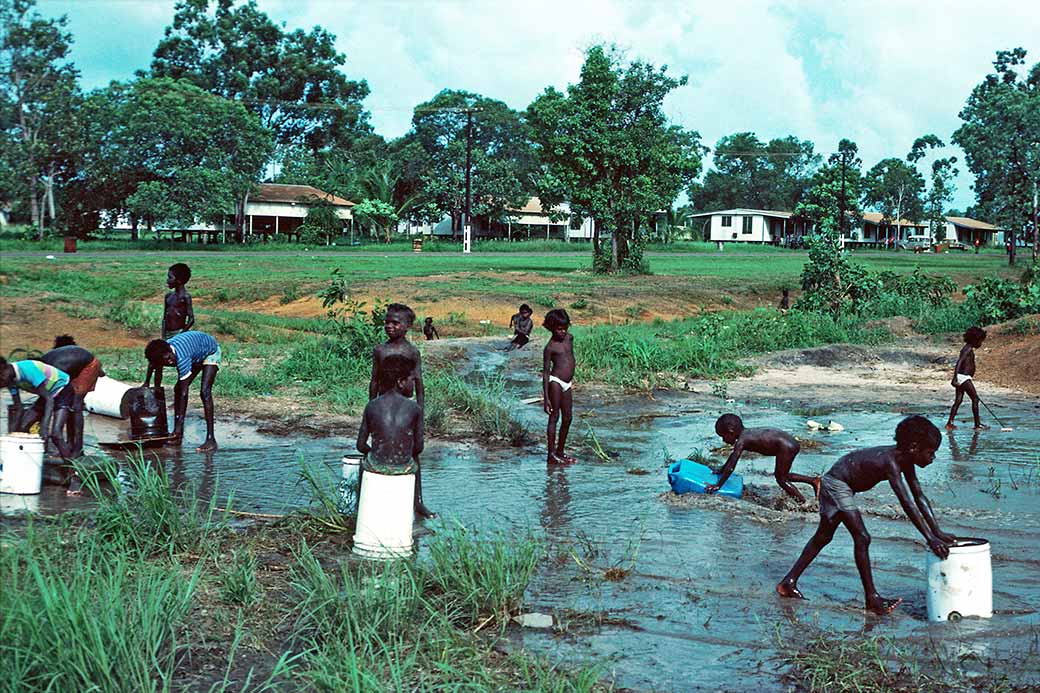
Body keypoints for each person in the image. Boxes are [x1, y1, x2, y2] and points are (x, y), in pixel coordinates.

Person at [776, 415, 953, 615]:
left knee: (823, 537)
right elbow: (907, 503)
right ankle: (872, 599)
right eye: (931, 453)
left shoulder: (905, 461)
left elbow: (919, 497)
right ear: (913, 448)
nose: (933, 458)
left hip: (842, 485)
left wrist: (937, 532)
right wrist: (930, 539)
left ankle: (788, 582)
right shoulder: (890, 463)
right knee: (862, 537)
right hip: (836, 484)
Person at [368, 304, 431, 517]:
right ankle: (372, 499)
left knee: (414, 453)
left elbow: (419, 384)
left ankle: (418, 501)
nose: (389, 326)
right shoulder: (380, 350)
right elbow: (374, 381)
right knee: (378, 447)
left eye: (395, 323)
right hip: (382, 408)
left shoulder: (412, 352)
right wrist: (370, 409)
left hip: (406, 409)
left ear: (407, 326)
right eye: (387, 322)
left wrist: (419, 415)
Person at [357, 353, 434, 519]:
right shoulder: (414, 408)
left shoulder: (372, 405)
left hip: (376, 466)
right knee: (413, 461)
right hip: (403, 467)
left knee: (363, 463)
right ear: (400, 382)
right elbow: (419, 448)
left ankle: (358, 508)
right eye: (411, 380)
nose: (413, 385)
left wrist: (375, 453)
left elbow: (360, 445)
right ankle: (415, 504)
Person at [707, 414, 820, 503]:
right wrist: (721, 469)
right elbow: (732, 458)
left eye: (723, 436)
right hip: (788, 443)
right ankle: (813, 481)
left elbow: (732, 467)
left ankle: (803, 504)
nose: (723, 440)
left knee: (781, 479)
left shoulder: (742, 441)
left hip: (785, 447)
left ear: (731, 433)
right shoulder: (746, 434)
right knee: (783, 475)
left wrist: (718, 485)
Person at [144, 331, 220, 451]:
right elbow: (153, 366)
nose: (170, 362)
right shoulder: (160, 351)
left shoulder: (181, 357)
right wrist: (147, 383)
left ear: (170, 351)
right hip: (194, 353)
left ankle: (211, 440)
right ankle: (177, 437)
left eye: (169, 358)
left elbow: (185, 393)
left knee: (204, 392)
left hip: (209, 351)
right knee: (177, 389)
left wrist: (178, 428)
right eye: (166, 361)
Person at [37, 336, 103, 458]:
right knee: (67, 405)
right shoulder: (45, 366)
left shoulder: (51, 369)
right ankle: (70, 443)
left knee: (76, 405)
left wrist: (46, 425)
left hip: (88, 367)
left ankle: (78, 448)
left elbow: (54, 395)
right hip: (76, 368)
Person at [0, 357, 74, 459]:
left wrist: (44, 426)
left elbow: (49, 400)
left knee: (56, 434)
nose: (2, 383)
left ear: (4, 369)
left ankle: (74, 471)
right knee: (23, 427)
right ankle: (27, 461)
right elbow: (18, 407)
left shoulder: (29, 369)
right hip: (47, 394)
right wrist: (11, 435)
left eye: (1, 379)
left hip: (63, 390)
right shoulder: (10, 380)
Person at [542, 308, 576, 466]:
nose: (562, 332)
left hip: (567, 384)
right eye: (558, 329)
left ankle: (560, 452)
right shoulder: (550, 348)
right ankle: (551, 455)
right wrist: (546, 398)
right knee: (554, 417)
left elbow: (569, 358)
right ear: (551, 328)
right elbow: (546, 372)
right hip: (555, 382)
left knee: (568, 418)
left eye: (565, 328)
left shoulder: (569, 338)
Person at [945, 327, 988, 430]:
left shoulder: (967, 348)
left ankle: (949, 423)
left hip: (962, 377)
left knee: (958, 400)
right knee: (975, 399)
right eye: (980, 341)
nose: (981, 344)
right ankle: (977, 425)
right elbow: (959, 362)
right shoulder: (968, 349)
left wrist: (956, 378)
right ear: (975, 339)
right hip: (963, 377)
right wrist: (954, 378)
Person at [163, 262, 195, 339]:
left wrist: (181, 334)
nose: (167, 280)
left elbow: (191, 319)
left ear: (179, 281)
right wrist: (163, 336)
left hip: (178, 333)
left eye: (170, 278)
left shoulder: (185, 297)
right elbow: (164, 318)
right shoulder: (168, 296)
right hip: (167, 333)